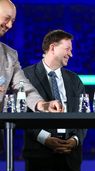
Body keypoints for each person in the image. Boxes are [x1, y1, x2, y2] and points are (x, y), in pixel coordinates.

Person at [22, 29, 87, 171]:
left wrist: (75, 140)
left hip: (70, 156)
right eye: (67, 49)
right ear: (53, 47)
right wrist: (45, 139)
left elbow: (84, 114)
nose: (71, 54)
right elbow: (22, 114)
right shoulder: (26, 75)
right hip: (40, 157)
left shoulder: (74, 79)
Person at [0, 0, 62, 153]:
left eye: (13, 21)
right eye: (7, 19)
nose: (9, 26)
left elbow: (23, 86)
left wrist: (42, 105)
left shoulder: (10, 55)